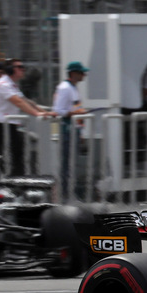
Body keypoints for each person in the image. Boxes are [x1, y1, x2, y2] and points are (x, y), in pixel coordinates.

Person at [0, 58, 51, 176]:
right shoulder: (3, 84)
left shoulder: (12, 85)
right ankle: (7, 183)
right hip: (3, 126)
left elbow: (25, 101)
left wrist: (45, 112)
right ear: (10, 70)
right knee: (7, 159)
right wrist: (36, 114)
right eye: (20, 67)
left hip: (11, 126)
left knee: (19, 157)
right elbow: (18, 102)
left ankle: (17, 182)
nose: (23, 70)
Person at [53, 61, 88, 196]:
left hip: (75, 130)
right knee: (67, 165)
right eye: (81, 73)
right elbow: (58, 110)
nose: (84, 75)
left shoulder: (74, 88)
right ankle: (65, 194)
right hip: (67, 131)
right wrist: (76, 113)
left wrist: (81, 132)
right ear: (73, 73)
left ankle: (70, 193)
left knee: (72, 164)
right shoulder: (65, 88)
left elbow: (74, 108)